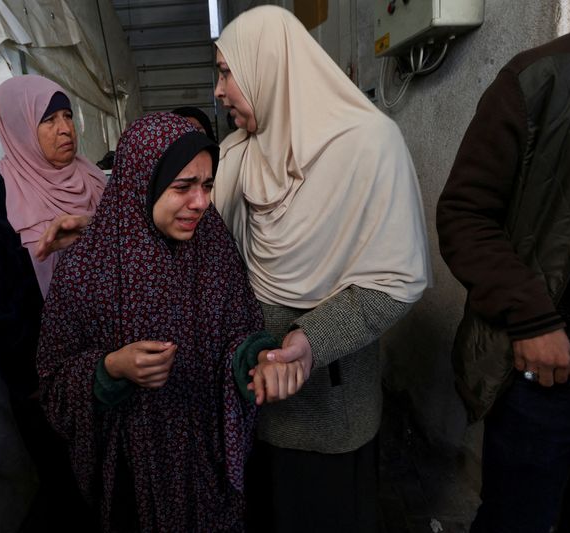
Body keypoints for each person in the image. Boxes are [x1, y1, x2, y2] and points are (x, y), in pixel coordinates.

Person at [212, 6, 431, 532]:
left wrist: (309, 340)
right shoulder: (236, 157)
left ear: (268, 65)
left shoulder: (369, 147)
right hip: (251, 404)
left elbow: (395, 283)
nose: (218, 90)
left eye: (225, 71)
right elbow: (213, 263)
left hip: (332, 413)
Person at [36, 112, 304, 532]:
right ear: (142, 183)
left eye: (207, 185)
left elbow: (241, 329)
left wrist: (258, 358)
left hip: (206, 463)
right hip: (134, 475)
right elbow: (52, 385)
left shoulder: (213, 247)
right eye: (182, 187)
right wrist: (110, 370)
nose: (200, 203)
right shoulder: (85, 271)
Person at [436, 29, 570, 533]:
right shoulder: (538, 77)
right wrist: (533, 318)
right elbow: (464, 216)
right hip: (551, 375)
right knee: (518, 519)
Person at [0, 74, 104, 531]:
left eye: (66, 117)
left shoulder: (94, 180)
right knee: (70, 487)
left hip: (112, 360)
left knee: (120, 474)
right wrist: (30, 376)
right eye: (48, 120)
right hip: (45, 378)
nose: (65, 130)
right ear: (18, 126)